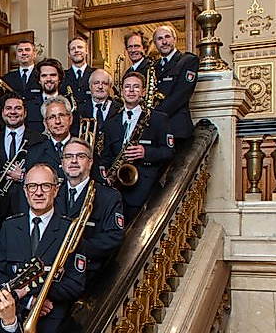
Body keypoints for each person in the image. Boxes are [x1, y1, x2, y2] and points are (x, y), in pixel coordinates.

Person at [0, 164, 86, 333]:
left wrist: (40, 298)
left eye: (45, 186)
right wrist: (29, 300)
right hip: (11, 318)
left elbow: (75, 284)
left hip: (53, 322)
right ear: (25, 191)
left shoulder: (70, 230)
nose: (38, 192)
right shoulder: (10, 227)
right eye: (32, 186)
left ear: (56, 190)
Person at [100, 71, 174, 219]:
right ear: (121, 92)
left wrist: (145, 152)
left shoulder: (158, 119)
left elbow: (169, 152)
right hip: (116, 189)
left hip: (143, 187)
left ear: (143, 91)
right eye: (127, 87)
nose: (131, 90)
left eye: (136, 87)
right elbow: (106, 156)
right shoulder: (110, 123)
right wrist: (105, 174)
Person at [58, 139, 125, 274]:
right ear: (62, 162)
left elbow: (113, 237)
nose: (74, 161)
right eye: (68, 156)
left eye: (80, 156)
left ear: (90, 162)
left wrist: (74, 249)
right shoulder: (52, 193)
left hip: (89, 272)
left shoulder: (108, 197)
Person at [0, 96, 46, 226]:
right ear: (3, 112)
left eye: (18, 108)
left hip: (27, 205)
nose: (13, 112)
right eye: (8, 108)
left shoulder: (40, 140)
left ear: (25, 113)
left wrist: (22, 176)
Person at [151, 24, 199, 141]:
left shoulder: (188, 60)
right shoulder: (153, 66)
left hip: (177, 128)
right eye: (160, 39)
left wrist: (155, 115)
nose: (164, 42)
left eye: (167, 37)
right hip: (157, 130)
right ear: (155, 43)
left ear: (175, 39)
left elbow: (181, 94)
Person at [26, 96, 76, 176]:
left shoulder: (83, 148)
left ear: (70, 119)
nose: (57, 121)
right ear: (45, 124)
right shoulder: (34, 153)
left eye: (62, 115)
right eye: (52, 117)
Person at [72, 69, 120, 144]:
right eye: (96, 83)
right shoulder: (79, 110)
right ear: (90, 86)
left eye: (105, 83)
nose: (100, 87)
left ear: (110, 87)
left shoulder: (120, 109)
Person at [25, 58, 65, 134]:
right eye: (44, 76)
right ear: (39, 80)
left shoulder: (70, 105)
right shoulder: (28, 107)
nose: (48, 79)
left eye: (53, 75)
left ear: (59, 78)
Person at [62, 36, 97, 106]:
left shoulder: (96, 74)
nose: (76, 50)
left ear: (86, 51)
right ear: (69, 53)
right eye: (73, 48)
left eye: (80, 47)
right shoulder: (63, 76)